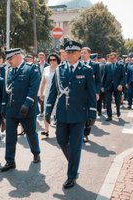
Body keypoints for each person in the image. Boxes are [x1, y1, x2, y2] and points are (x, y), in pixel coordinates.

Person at [45, 40, 97, 189]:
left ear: (78, 54)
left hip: (79, 115)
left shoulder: (86, 70)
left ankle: (71, 175)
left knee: (75, 146)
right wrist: (48, 110)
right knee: (61, 140)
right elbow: (53, 92)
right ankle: (73, 162)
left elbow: (91, 94)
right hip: (62, 114)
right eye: (67, 52)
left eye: (71, 52)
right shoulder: (60, 70)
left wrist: (92, 113)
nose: (68, 55)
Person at [0, 48, 41, 172]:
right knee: (10, 136)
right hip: (11, 110)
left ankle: (36, 153)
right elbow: (6, 91)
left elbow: (34, 88)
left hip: (26, 110)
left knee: (30, 134)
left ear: (18, 57)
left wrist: (27, 103)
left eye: (10, 59)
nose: (8, 62)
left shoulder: (31, 68)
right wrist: (3, 108)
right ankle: (10, 161)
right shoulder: (9, 71)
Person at [80, 47, 101, 142]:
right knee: (80, 113)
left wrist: (96, 92)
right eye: (81, 53)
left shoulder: (95, 65)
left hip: (91, 94)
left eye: (84, 53)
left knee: (89, 114)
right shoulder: (78, 64)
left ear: (89, 54)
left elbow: (98, 81)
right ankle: (80, 132)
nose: (82, 54)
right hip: (80, 94)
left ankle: (86, 133)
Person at [39, 53, 60, 137]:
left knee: (58, 113)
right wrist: (41, 93)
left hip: (58, 94)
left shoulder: (60, 69)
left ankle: (59, 131)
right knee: (46, 113)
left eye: (54, 59)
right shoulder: (46, 69)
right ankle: (46, 130)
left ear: (57, 60)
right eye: (50, 60)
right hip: (47, 94)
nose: (52, 61)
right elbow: (43, 82)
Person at [101, 52, 126, 121]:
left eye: (113, 58)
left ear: (116, 58)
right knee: (108, 101)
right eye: (110, 58)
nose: (111, 60)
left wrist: (121, 84)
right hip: (108, 86)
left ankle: (118, 110)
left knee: (117, 101)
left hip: (117, 86)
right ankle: (109, 116)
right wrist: (102, 86)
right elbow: (104, 76)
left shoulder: (121, 65)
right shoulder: (107, 66)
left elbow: (123, 76)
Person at [35, 52, 50, 117]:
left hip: (45, 83)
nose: (41, 58)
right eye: (39, 57)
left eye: (42, 57)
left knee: (43, 96)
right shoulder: (35, 65)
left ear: (44, 57)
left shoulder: (47, 65)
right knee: (38, 97)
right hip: (37, 83)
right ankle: (40, 109)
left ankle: (42, 111)